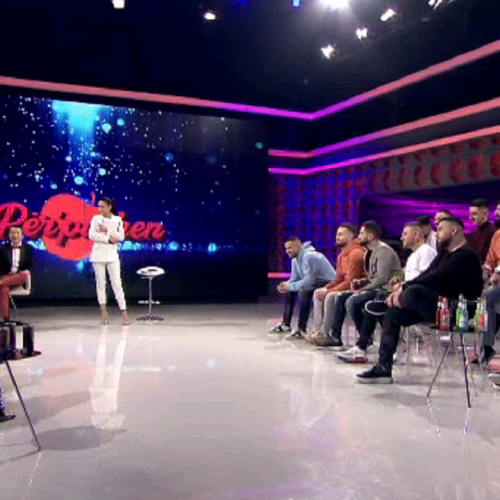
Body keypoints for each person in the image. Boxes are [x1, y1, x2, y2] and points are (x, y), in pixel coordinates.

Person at [357, 217, 483, 384]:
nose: (436, 234)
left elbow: (436, 278)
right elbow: (427, 274)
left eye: (440, 229)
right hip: (436, 305)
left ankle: (388, 304)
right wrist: (403, 286)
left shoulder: (467, 255)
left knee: (413, 292)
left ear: (454, 231)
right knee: (392, 315)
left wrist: (405, 288)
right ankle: (383, 368)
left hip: (458, 311)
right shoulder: (444, 254)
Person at [338, 222, 437, 363]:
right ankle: (364, 347)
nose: (401, 238)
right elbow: (410, 279)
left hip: (417, 301)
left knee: (372, 304)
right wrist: (399, 281)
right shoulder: (413, 255)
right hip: (402, 296)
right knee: (372, 306)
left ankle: (365, 347)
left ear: (416, 235)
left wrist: (402, 286)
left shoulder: (426, 252)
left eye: (405, 234)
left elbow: (424, 280)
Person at [315, 221, 402, 352]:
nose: (359, 236)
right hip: (376, 288)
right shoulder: (370, 252)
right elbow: (373, 277)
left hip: (386, 290)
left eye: (362, 233)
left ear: (371, 236)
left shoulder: (383, 251)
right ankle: (335, 337)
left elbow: (382, 279)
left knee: (352, 301)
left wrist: (362, 289)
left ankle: (364, 338)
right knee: (342, 297)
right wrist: (362, 282)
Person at [304, 224, 366, 347]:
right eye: (337, 234)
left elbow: (350, 281)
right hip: (347, 286)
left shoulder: (356, 253)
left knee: (330, 296)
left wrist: (328, 291)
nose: (337, 237)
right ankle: (319, 331)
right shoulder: (342, 255)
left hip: (358, 287)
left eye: (341, 234)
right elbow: (339, 279)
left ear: (351, 236)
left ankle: (327, 334)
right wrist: (326, 288)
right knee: (318, 292)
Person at [269, 237, 336, 340]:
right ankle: (286, 324)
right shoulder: (295, 259)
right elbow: (295, 278)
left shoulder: (309, 256)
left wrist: (291, 286)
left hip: (328, 282)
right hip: (315, 281)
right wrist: (286, 285)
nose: (287, 251)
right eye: (286, 248)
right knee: (290, 291)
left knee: (304, 292)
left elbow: (309, 280)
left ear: (299, 246)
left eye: (290, 248)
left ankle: (301, 329)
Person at [89, 198, 131, 326]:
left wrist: (107, 230)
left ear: (109, 207)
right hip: (98, 255)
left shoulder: (117, 220)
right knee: (101, 284)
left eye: (102, 206)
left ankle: (124, 312)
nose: (100, 209)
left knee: (117, 283)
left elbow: (121, 237)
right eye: (99, 206)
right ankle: (103, 312)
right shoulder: (96, 219)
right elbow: (92, 235)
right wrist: (108, 239)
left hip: (112, 255)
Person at [0, 226, 34, 322]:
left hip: (20, 276)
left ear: (22, 236)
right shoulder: (2, 249)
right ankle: (6, 319)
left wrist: (26, 271)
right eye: (12, 233)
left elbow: (30, 266)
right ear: (9, 235)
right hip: (6, 276)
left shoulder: (29, 249)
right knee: (3, 288)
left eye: (17, 233)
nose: (15, 235)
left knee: (24, 275)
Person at [481, 201, 500, 365]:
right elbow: (490, 260)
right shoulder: (497, 235)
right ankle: (487, 346)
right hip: (496, 282)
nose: (497, 214)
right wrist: (486, 272)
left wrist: (498, 272)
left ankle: (487, 346)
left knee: (489, 296)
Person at [468, 198, 495, 264]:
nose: (470, 218)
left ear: (485, 214)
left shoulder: (494, 233)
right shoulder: (472, 234)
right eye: (470, 214)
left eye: (474, 214)